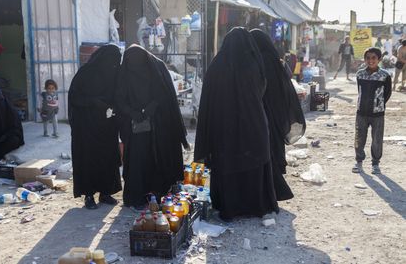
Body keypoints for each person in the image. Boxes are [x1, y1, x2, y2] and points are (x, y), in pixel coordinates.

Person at [194, 27, 279, 221]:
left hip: (224, 127)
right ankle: (254, 205)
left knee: (228, 163)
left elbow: (208, 98)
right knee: (253, 162)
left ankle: (229, 207)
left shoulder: (217, 65)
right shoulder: (253, 63)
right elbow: (262, 89)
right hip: (253, 123)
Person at [116, 45, 189, 210]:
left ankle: (156, 192)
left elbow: (165, 93)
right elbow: (119, 98)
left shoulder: (157, 67)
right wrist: (133, 113)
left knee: (156, 157)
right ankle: (137, 196)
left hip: (158, 125)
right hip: (135, 127)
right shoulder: (124, 73)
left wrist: (151, 108)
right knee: (138, 160)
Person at [250, 29, 306, 201]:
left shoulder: (261, 60)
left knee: (268, 147)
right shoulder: (274, 59)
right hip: (276, 109)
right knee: (274, 145)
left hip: (266, 109)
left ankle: (271, 186)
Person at [68, 45, 123, 209]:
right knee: (89, 159)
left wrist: (112, 107)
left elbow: (118, 95)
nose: (114, 64)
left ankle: (106, 193)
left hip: (107, 125)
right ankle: (89, 195)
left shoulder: (115, 73)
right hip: (86, 126)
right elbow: (74, 98)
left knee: (107, 159)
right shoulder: (85, 73)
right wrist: (93, 102)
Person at [352, 48, 391, 174]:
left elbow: (387, 93)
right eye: (368, 58)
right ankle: (359, 161)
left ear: (379, 59)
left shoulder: (385, 75)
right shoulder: (360, 74)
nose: (370, 60)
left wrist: (378, 104)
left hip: (378, 114)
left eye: (374, 58)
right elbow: (360, 91)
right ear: (365, 60)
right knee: (359, 137)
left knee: (377, 139)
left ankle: (375, 163)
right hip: (361, 112)